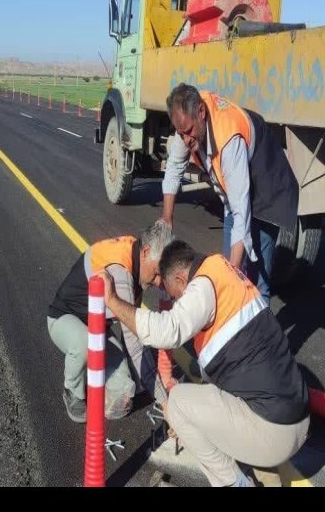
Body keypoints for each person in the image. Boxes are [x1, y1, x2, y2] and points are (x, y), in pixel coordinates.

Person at [97, 240, 309, 487]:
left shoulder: (202, 286)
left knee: (177, 402)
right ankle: (259, 465)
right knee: (189, 404)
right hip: (297, 422)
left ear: (180, 279)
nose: (177, 303)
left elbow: (167, 330)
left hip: (275, 434)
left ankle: (235, 484)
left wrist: (111, 300)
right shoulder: (221, 269)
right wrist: (191, 417)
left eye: (176, 296)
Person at [161, 83, 298, 306]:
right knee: (231, 270)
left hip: (269, 189)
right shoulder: (186, 120)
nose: (185, 140)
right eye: (180, 133)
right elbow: (174, 167)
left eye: (188, 132)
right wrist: (167, 217)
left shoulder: (228, 138)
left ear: (201, 113)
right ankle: (236, 325)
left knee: (253, 281)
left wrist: (234, 270)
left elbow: (241, 212)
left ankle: (263, 336)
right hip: (236, 191)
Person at [47, 220, 174, 423]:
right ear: (146, 251)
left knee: (124, 395)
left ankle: (94, 370)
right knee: (84, 343)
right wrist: (165, 402)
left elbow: (131, 330)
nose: (159, 281)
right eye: (158, 272)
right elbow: (134, 342)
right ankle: (72, 390)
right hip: (64, 320)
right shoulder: (120, 271)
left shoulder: (138, 256)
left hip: (97, 328)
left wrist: (141, 379)